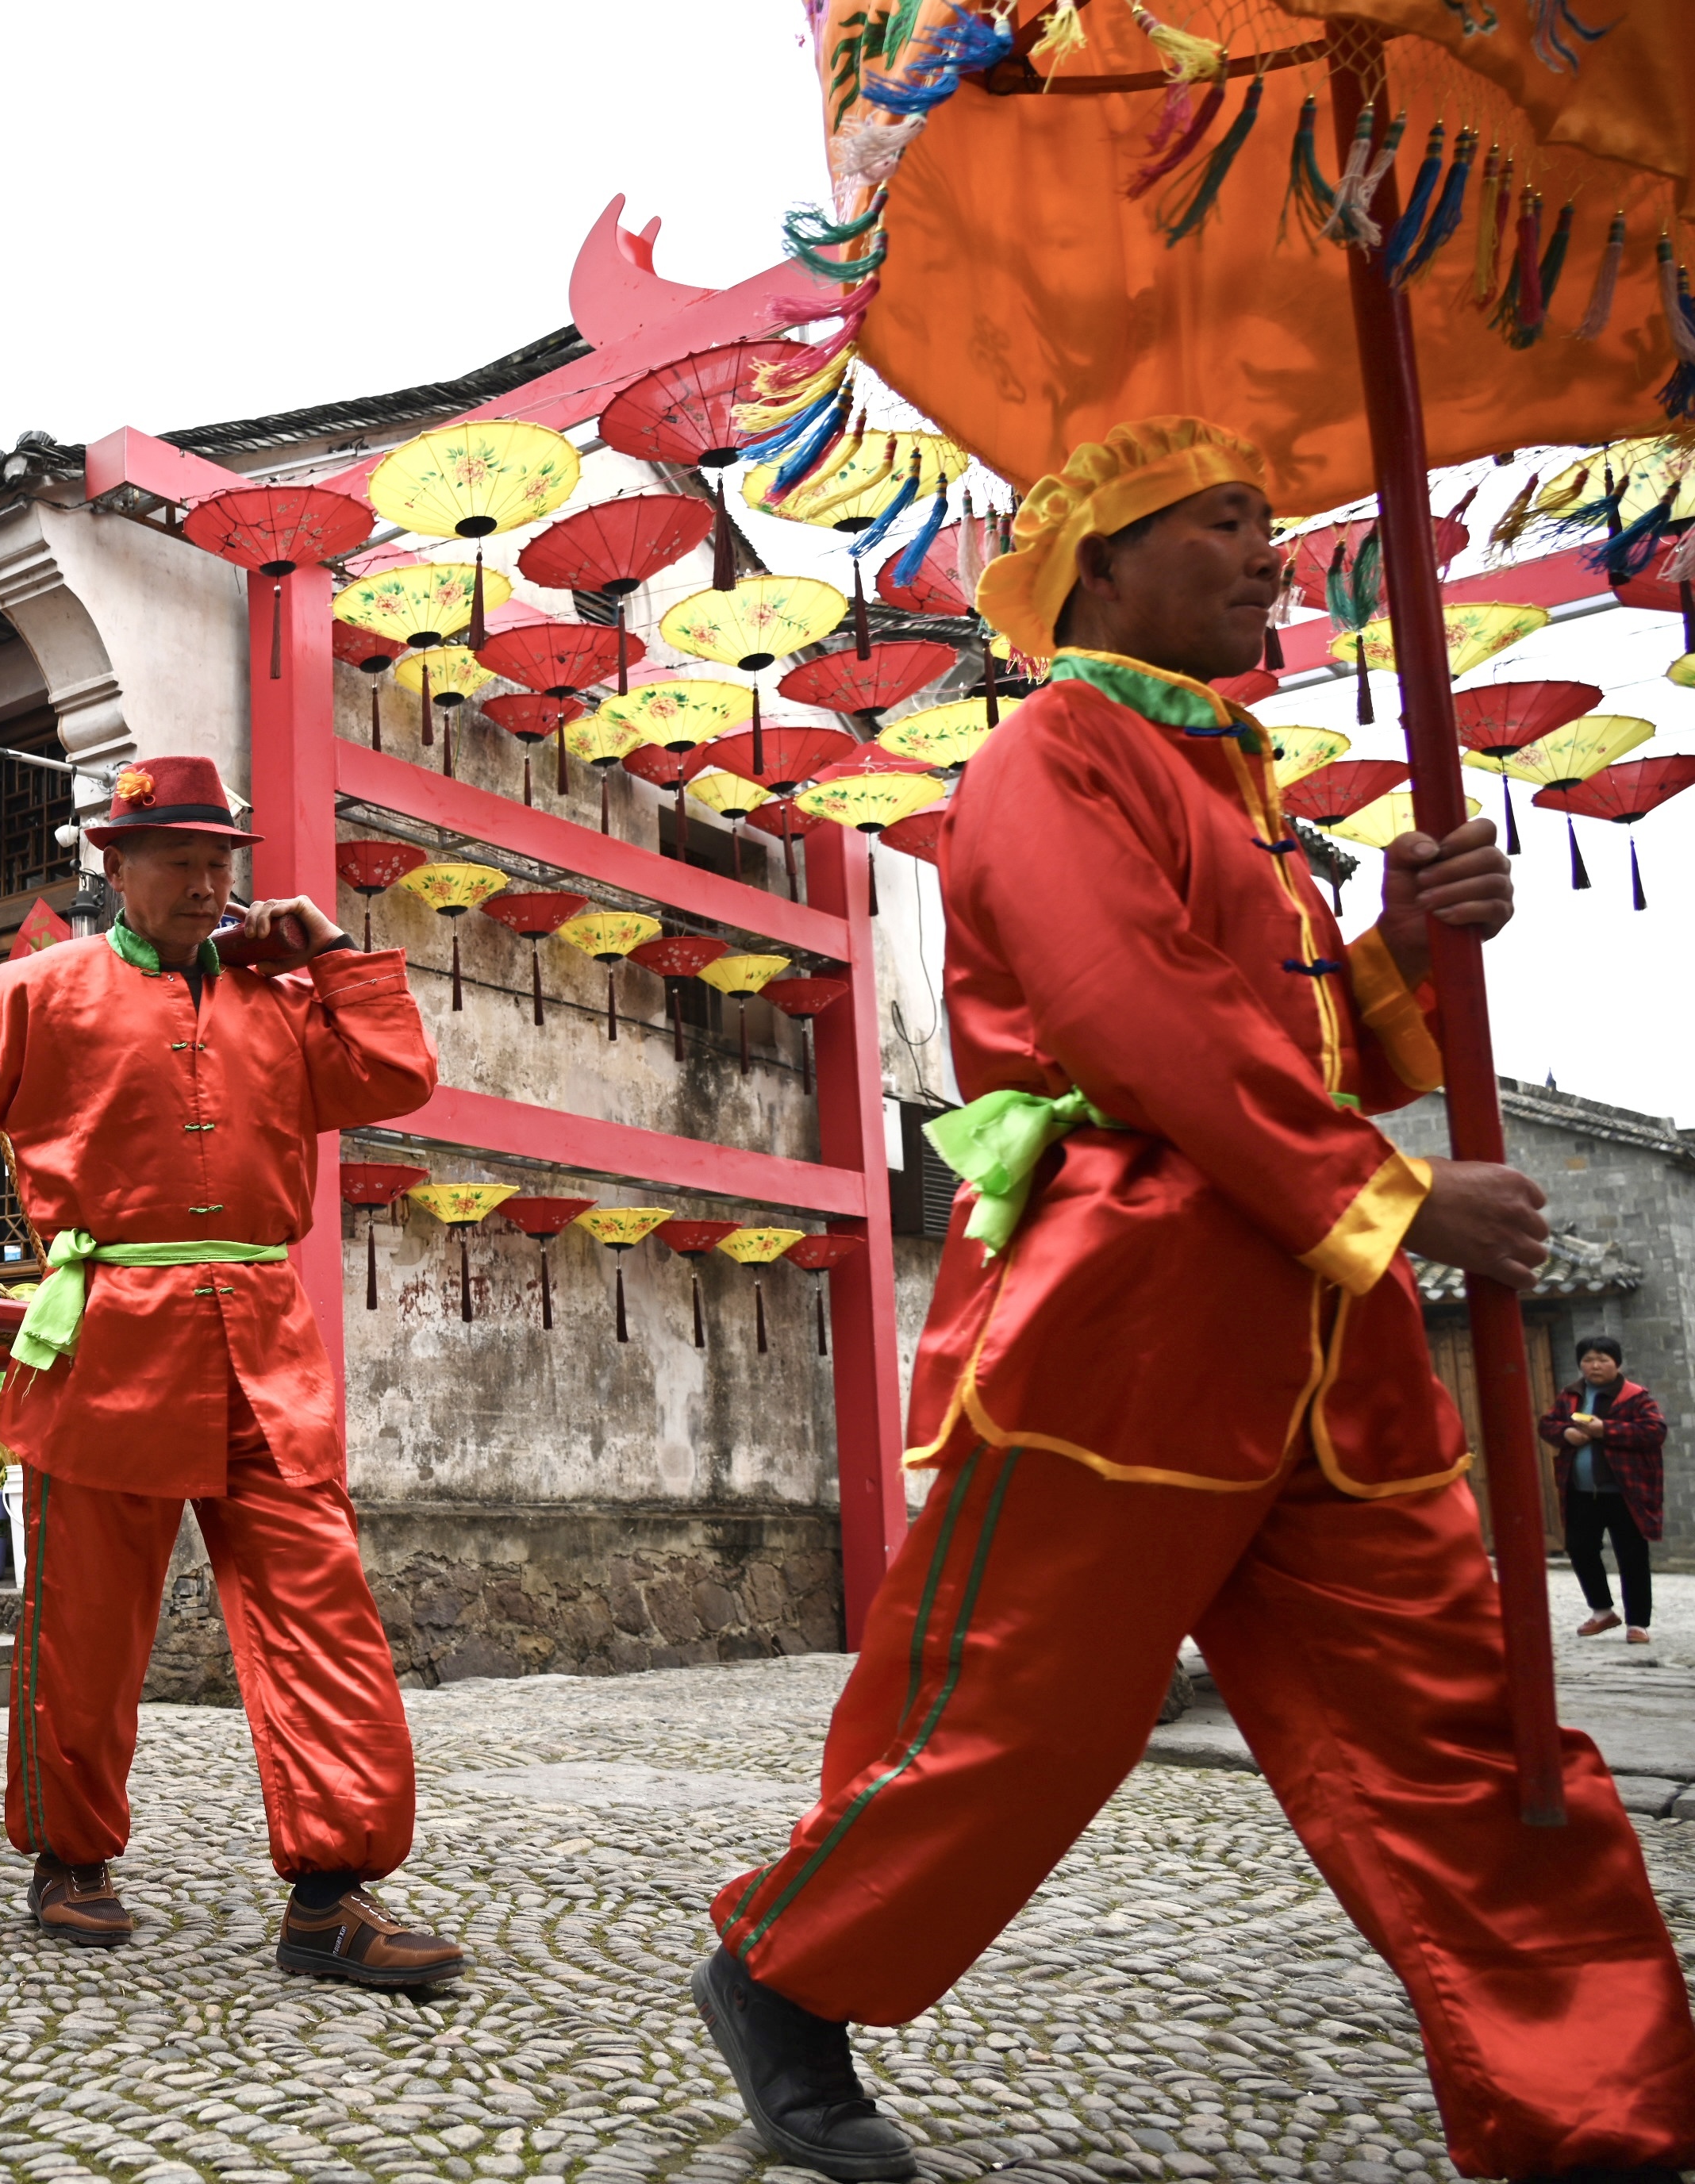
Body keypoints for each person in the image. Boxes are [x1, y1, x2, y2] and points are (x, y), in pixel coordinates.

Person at [686, 417, 1695, 2184]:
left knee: (1468, 1732)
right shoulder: (1044, 759)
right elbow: (1136, 1018)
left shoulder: (1250, 784)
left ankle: (1602, 2112)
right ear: (1100, 562)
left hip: (1327, 1339)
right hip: (1123, 1327)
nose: (1272, 554)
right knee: (1016, 1718)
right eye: (1227, 521)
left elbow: (1299, 1029)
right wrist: (1389, 1194)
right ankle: (784, 1972)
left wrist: (1400, 935)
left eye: (1275, 523)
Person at [0, 753, 468, 1990]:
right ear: (116, 867)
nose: (210, 881)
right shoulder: (36, 990)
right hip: (111, 1332)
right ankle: (71, 1858)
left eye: (223, 859)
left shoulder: (281, 997)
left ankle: (333, 1893)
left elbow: (396, 1077)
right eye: (181, 858)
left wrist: (332, 953)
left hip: (266, 1341)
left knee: (320, 1610)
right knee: (84, 1630)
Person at [1545, 1334, 1666, 1646]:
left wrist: (1605, 1430)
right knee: (1580, 1548)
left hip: (1625, 1491)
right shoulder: (1571, 1395)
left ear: (1616, 1363)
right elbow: (1547, 1424)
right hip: (1581, 1490)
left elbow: (1655, 1431)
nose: (1594, 1366)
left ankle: (1638, 1623)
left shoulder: (1635, 1396)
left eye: (1602, 1360)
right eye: (1588, 1360)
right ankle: (1602, 1611)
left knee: (1632, 1555)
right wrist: (1567, 1433)